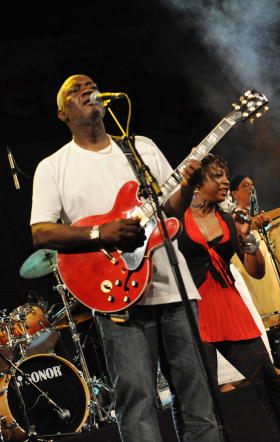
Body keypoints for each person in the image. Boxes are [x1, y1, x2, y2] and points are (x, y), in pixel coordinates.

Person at [30, 74, 221, 442]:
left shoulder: (141, 148)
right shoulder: (53, 167)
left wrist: (187, 185)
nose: (87, 90)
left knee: (200, 398)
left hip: (173, 288)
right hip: (117, 298)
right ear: (62, 114)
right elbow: (42, 232)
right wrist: (101, 233)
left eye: (91, 85)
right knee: (138, 403)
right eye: (75, 89)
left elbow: (172, 211)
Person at [177, 154, 280, 442]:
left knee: (271, 385)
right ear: (197, 182)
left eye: (226, 176)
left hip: (229, 309)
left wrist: (250, 243)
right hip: (192, 316)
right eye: (217, 176)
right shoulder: (175, 220)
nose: (225, 182)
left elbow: (255, 271)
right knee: (202, 403)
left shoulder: (228, 219)